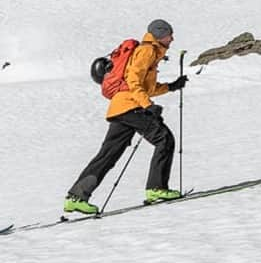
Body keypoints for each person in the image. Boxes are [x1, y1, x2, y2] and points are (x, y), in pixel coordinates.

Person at [64, 19, 188, 214]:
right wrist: (148, 106)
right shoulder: (147, 51)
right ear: (159, 35)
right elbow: (133, 81)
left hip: (119, 108)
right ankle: (156, 189)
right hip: (131, 107)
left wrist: (171, 86)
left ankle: (76, 197)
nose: (172, 38)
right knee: (164, 139)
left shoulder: (151, 53)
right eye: (168, 34)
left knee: (108, 155)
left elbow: (146, 87)